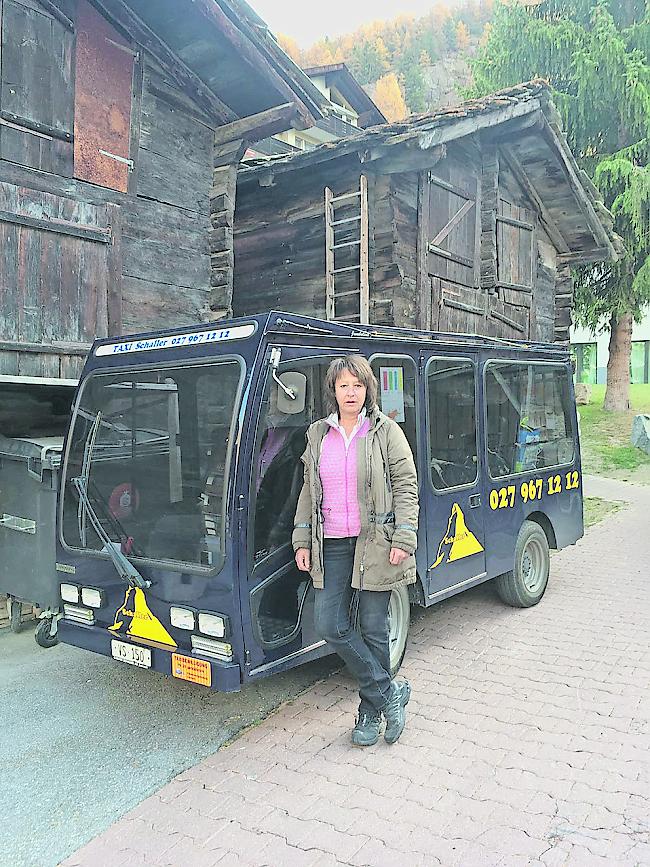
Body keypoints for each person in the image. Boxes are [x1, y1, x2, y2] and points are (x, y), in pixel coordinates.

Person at [293, 355, 419, 746]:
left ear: (368, 390)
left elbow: (406, 486)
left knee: (373, 628)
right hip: (330, 543)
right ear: (333, 390)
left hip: (375, 542)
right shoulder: (318, 434)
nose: (351, 392)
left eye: (358, 385)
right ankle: (388, 694)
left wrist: (404, 537)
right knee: (329, 624)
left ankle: (368, 711)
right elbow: (308, 491)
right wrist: (302, 539)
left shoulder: (385, 432)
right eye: (343, 385)